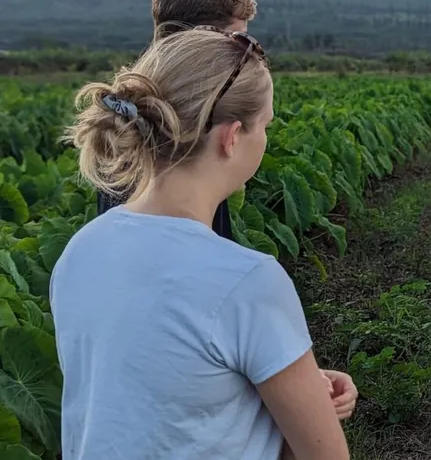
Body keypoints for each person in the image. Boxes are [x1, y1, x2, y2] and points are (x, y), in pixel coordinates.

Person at [52, 27, 351, 459]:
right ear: (231, 138)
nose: (265, 138)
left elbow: (141, 392)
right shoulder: (247, 280)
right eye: (264, 125)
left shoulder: (81, 249)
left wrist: (290, 379)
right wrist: (303, 400)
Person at [89, 0, 358, 412]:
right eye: (233, 40)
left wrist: (283, 373)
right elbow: (187, 298)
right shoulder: (171, 138)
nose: (242, 55)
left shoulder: (135, 121)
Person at [95, 0, 259, 239]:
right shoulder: (175, 118)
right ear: (198, 41)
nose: (243, 54)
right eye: (235, 39)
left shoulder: (128, 107)